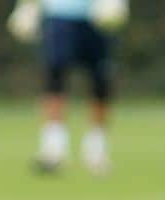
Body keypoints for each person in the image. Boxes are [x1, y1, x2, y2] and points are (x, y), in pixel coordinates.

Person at [9, 0, 120, 175]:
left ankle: (97, 149)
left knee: (100, 82)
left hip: (97, 16)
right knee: (54, 80)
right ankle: (54, 149)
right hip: (58, 16)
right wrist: (28, 6)